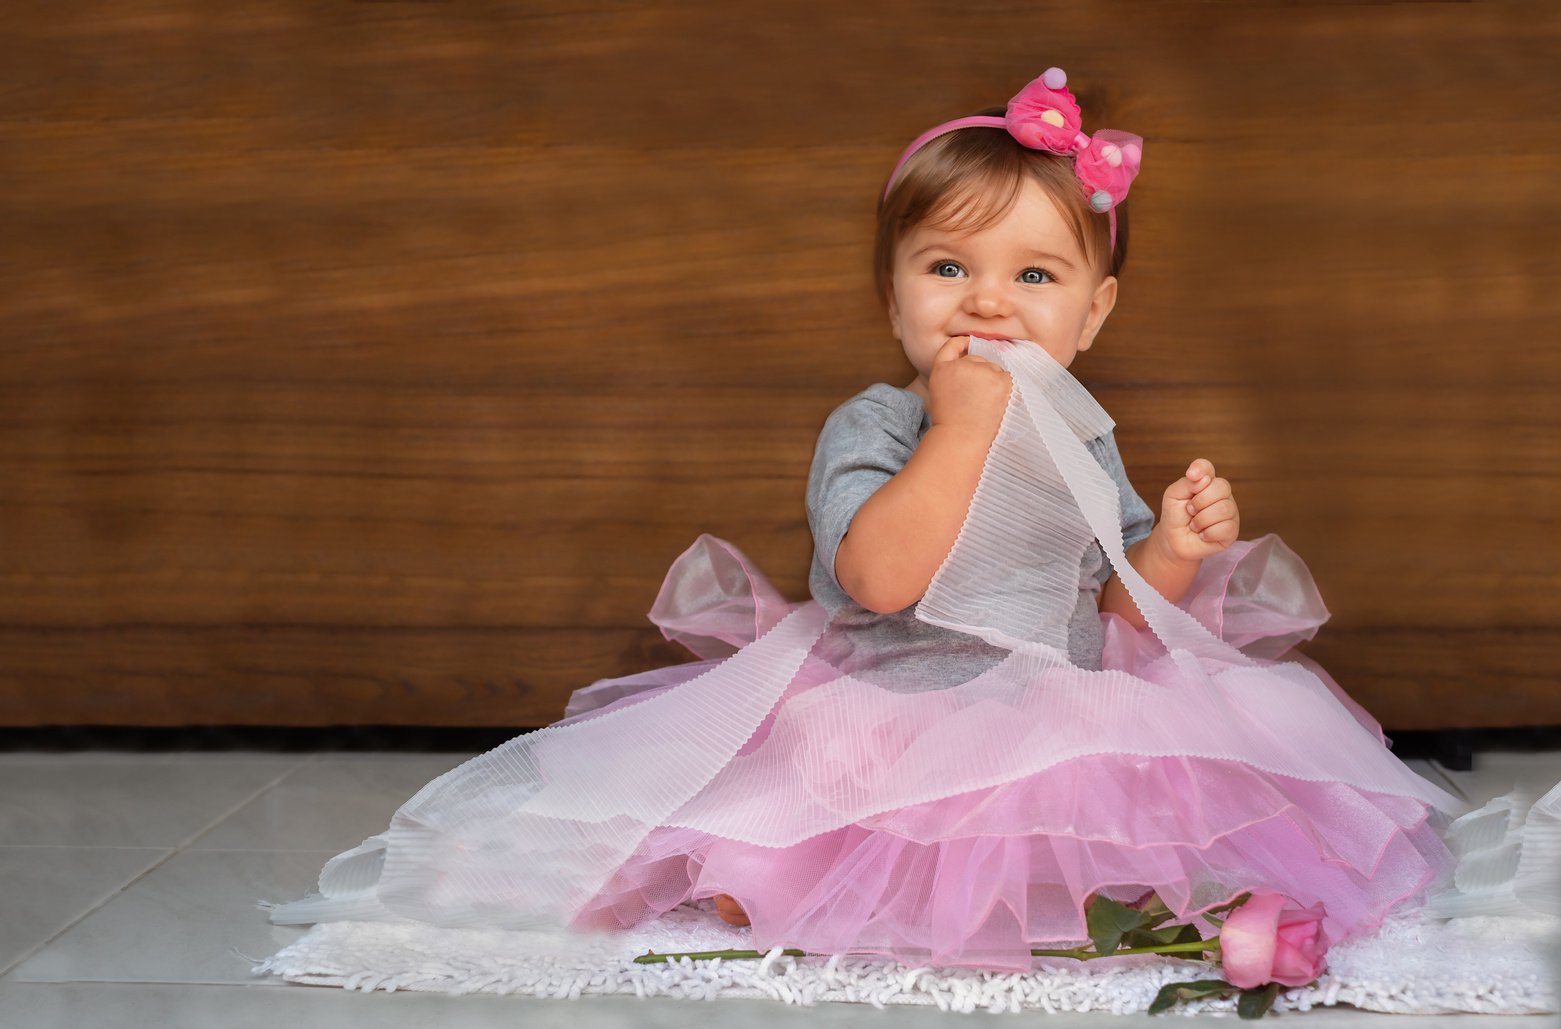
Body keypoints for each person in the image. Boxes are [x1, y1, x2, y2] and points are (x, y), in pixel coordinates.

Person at [265, 68, 1465, 972]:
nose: (988, 299)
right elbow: (882, 581)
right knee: (846, 814)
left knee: (1139, 796)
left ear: (1092, 317)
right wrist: (957, 430)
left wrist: (1171, 550)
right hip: (898, 708)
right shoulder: (878, 427)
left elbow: (1109, 604)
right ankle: (779, 883)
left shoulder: (1084, 431)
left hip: (1058, 695)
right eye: (947, 269)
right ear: (891, 293)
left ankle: (1105, 906)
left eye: (1034, 278)